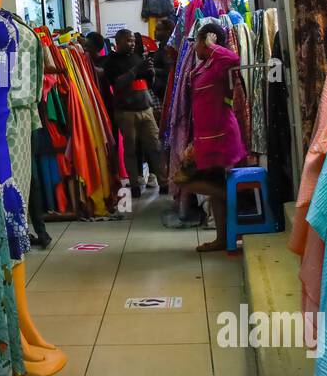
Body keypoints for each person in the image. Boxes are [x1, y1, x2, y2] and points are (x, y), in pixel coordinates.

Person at [173, 21, 247, 251]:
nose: (193, 46)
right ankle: (222, 238)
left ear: (206, 41)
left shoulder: (219, 64)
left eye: (197, 41)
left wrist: (212, 45)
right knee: (208, 184)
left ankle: (232, 198)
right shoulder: (203, 67)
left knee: (184, 179)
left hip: (221, 136)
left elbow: (234, 59)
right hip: (206, 138)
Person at [101, 28, 167, 196]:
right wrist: (137, 69)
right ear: (118, 42)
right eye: (128, 41)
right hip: (126, 112)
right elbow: (118, 84)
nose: (132, 44)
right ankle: (135, 184)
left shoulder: (138, 57)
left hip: (146, 109)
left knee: (155, 147)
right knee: (130, 150)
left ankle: (163, 182)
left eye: (133, 41)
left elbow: (148, 84)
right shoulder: (111, 61)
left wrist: (150, 73)